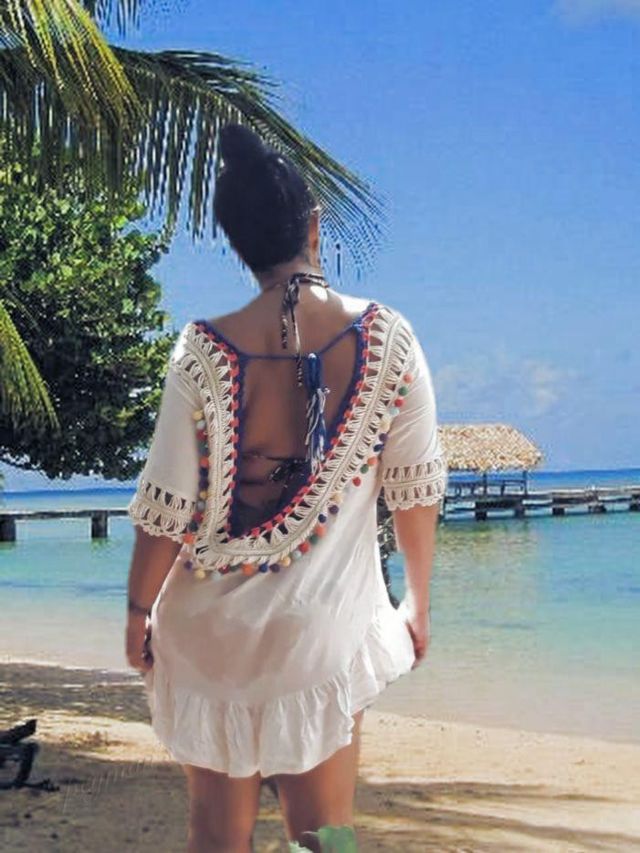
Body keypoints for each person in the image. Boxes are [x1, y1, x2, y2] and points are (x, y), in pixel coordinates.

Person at [125, 123, 448, 852]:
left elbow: (167, 510)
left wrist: (138, 612)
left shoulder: (200, 348)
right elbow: (414, 489)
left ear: (238, 246)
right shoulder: (390, 339)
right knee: (324, 838)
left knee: (217, 838)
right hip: (316, 636)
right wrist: (418, 602)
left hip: (206, 640)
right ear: (314, 225)